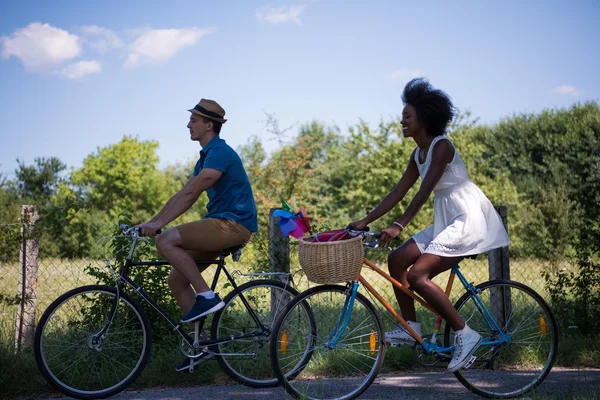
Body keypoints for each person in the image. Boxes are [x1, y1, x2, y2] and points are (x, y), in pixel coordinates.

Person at [349, 78, 509, 372]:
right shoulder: (417, 154)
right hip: (446, 218)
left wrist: (399, 225)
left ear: (424, 118)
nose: (402, 122)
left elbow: (425, 189)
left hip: (468, 217)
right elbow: (398, 191)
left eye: (407, 117)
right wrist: (365, 220)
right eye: (402, 117)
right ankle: (412, 327)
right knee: (396, 260)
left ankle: (465, 334)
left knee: (419, 275)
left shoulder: (442, 147)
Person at [137, 98, 258, 371]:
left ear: (209, 124)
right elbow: (182, 194)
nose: (188, 125)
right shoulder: (206, 156)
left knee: (165, 240)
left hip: (233, 224)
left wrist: (159, 228)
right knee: (177, 281)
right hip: (220, 223)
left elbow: (193, 192)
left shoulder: (221, 153)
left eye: (193, 120)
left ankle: (207, 296)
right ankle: (202, 345)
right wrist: (153, 221)